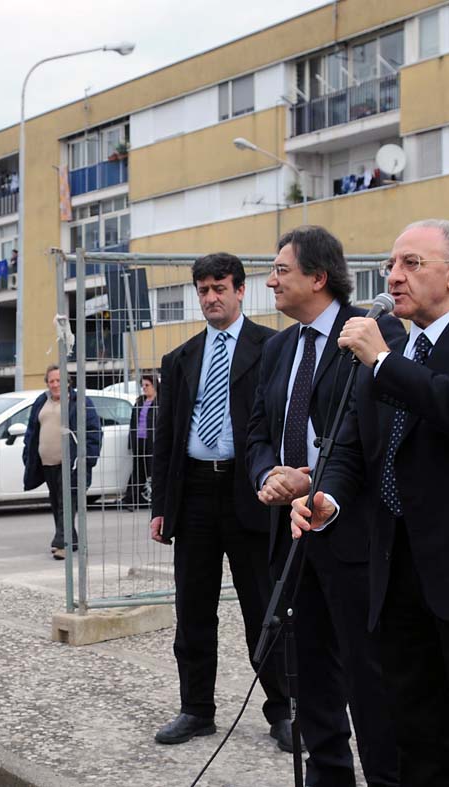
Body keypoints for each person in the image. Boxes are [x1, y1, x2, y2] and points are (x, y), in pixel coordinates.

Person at [291, 219, 449, 786]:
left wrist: (384, 363)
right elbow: (351, 446)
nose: (393, 276)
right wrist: (327, 496)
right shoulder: (389, 353)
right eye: (390, 264)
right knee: (420, 742)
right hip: (397, 576)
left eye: (411, 263)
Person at [246, 226, 402, 786]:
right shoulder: (278, 347)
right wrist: (269, 474)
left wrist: (313, 481)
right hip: (290, 534)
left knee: (366, 669)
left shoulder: (370, 330)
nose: (271, 281)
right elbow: (258, 430)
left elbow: (373, 432)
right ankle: (328, 772)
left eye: (281, 270)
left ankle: (386, 775)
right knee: (307, 664)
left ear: (318, 277)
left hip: (352, 529)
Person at [148, 252, 293, 750]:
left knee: (264, 606)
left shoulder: (272, 348)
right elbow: (166, 439)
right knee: (193, 609)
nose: (210, 298)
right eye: (203, 290)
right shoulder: (180, 359)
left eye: (219, 288)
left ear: (240, 290)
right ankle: (196, 709)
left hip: (252, 491)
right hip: (194, 495)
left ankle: (283, 710)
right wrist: (161, 507)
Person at [23, 364, 101, 560]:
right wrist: (28, 454)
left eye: (59, 380)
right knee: (57, 502)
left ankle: (61, 544)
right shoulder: (41, 401)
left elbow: (93, 431)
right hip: (47, 463)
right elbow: (32, 430)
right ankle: (71, 540)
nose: (55, 384)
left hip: (71, 464)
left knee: (66, 503)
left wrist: (88, 459)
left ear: (68, 381)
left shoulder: (79, 401)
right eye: (51, 381)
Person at [124, 373, 159, 508]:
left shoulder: (160, 403)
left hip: (154, 443)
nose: (144, 388)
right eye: (142, 385)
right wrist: (131, 442)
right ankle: (131, 498)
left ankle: (156, 499)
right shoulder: (139, 402)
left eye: (147, 385)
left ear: (154, 385)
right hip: (140, 442)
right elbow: (133, 423)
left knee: (154, 470)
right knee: (138, 470)